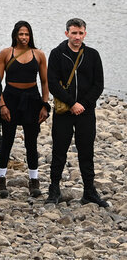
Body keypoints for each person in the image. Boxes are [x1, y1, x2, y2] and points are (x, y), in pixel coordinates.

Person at [46, 18, 108, 207]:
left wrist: (83, 104)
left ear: (85, 34)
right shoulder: (57, 54)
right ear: (67, 33)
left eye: (81, 33)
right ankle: (54, 189)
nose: (77, 37)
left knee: (86, 151)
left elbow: (99, 84)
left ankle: (89, 191)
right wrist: (72, 103)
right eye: (74, 33)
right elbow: (52, 83)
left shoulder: (92, 55)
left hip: (86, 112)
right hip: (64, 111)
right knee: (59, 151)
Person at [0, 21, 50, 198]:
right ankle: (0, 180)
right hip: (11, 97)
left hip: (32, 99)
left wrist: (45, 105)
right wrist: (2, 105)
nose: (24, 37)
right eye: (21, 34)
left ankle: (34, 181)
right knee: (7, 140)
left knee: (31, 142)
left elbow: (45, 82)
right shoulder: (6, 53)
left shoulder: (39, 55)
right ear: (15, 35)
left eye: (26, 34)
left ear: (30, 35)